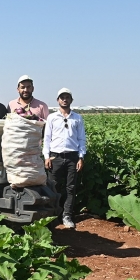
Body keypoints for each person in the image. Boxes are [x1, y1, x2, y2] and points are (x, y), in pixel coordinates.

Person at [43, 88, 86, 229]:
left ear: (71, 100)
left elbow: (81, 139)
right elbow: (47, 139)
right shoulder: (52, 117)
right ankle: (52, 215)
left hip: (72, 157)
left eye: (67, 97)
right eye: (62, 97)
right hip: (55, 157)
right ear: (58, 100)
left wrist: (81, 157)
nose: (64, 99)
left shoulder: (77, 118)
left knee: (70, 188)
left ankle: (67, 216)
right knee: (52, 187)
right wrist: (46, 156)